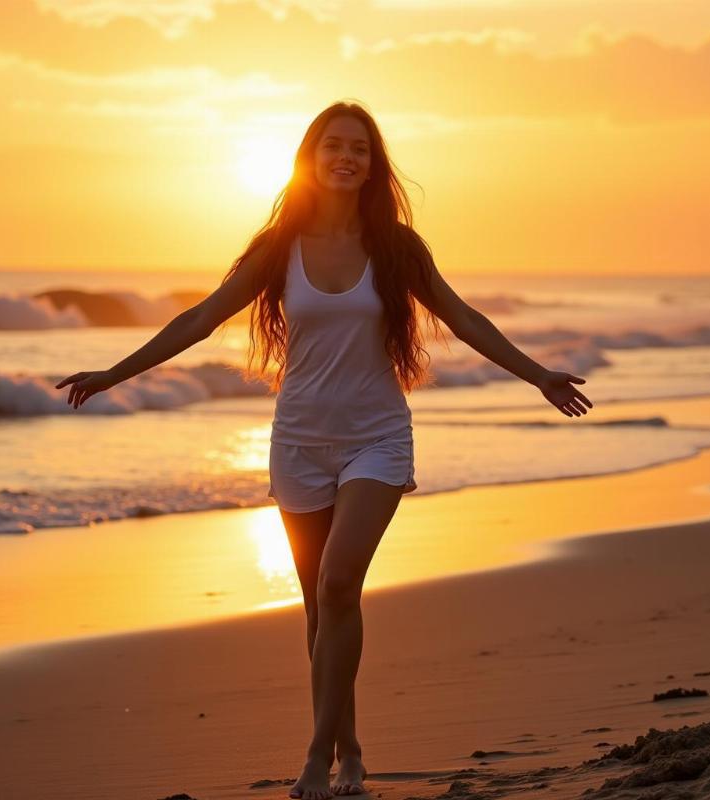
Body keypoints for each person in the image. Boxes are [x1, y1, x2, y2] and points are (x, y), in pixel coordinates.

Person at [56, 100, 593, 800]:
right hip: (299, 441)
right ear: (309, 158)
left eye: (360, 148)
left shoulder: (397, 248)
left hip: (376, 436)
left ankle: (315, 757)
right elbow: (200, 318)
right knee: (319, 609)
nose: (346, 156)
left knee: (339, 585)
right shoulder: (279, 246)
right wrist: (112, 374)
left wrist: (539, 374)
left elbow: (463, 319)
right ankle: (352, 753)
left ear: (374, 165)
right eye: (333, 145)